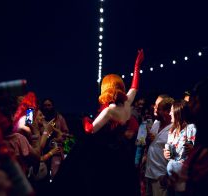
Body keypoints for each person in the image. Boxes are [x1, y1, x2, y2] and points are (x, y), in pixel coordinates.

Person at [49, 49, 144, 196]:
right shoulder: (128, 103)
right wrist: (137, 65)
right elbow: (135, 86)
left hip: (108, 155)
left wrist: (85, 120)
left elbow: (90, 130)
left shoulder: (109, 110)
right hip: (124, 153)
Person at [163, 100, 196, 195]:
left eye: (172, 110)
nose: (169, 113)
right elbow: (170, 154)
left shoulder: (190, 128)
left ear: (178, 112)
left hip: (182, 180)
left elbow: (192, 150)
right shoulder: (172, 130)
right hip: (171, 178)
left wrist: (191, 148)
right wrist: (166, 154)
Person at [145, 95, 174, 196]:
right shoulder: (156, 123)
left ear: (167, 112)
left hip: (161, 177)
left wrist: (167, 176)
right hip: (149, 174)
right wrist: (148, 140)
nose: (155, 110)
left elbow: (176, 156)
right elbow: (152, 144)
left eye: (159, 108)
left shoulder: (174, 129)